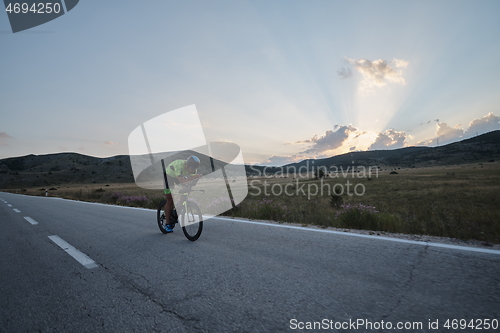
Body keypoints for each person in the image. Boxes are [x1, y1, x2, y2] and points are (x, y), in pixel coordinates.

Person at [163, 155, 202, 233]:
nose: (192, 170)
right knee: (170, 200)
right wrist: (193, 178)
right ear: (187, 165)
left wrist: (193, 181)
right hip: (168, 177)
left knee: (187, 189)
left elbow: (191, 183)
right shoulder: (179, 165)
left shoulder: (194, 169)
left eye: (194, 169)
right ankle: (167, 224)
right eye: (191, 168)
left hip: (178, 177)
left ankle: (179, 206)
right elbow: (181, 180)